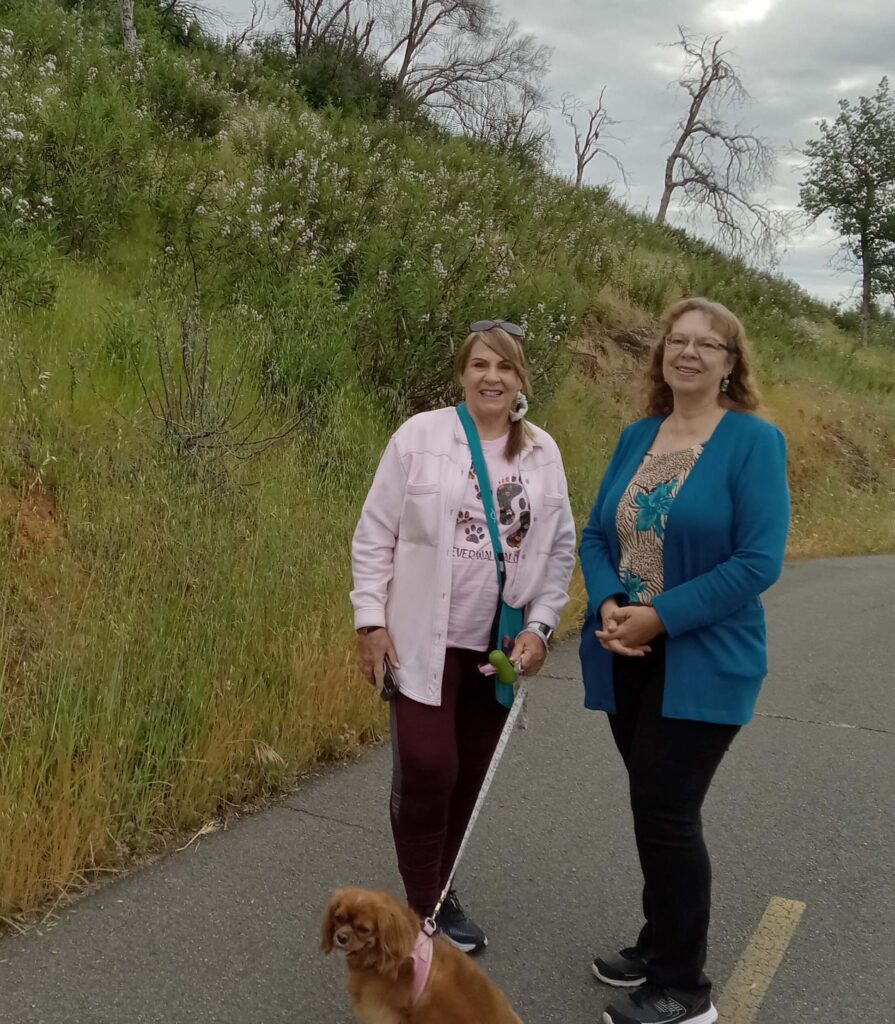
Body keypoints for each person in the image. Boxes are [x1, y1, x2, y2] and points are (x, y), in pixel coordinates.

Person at [579, 297, 790, 1024]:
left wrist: (658, 618)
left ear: (731, 364)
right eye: (678, 340)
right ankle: (658, 939)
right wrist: (609, 601)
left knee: (667, 813)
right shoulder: (639, 434)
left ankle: (684, 990)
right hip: (624, 653)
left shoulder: (753, 443)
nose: (689, 352)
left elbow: (758, 561)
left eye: (708, 344)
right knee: (651, 807)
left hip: (703, 657)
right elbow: (595, 535)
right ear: (660, 353)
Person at [351, 320, 575, 953]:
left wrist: (539, 626)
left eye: (504, 367)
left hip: (495, 647)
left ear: (521, 379)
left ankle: (439, 895)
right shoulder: (420, 438)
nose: (491, 377)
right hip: (420, 639)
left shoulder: (541, 453)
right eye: (480, 364)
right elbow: (375, 534)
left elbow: (557, 550)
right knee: (430, 765)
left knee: (469, 772)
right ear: (461, 373)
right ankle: (421, 904)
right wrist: (370, 621)